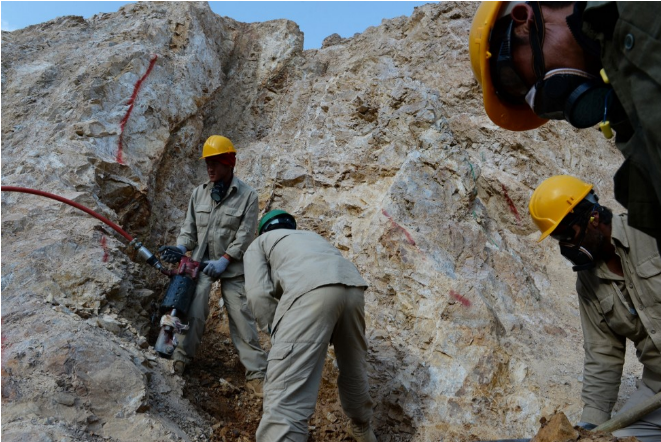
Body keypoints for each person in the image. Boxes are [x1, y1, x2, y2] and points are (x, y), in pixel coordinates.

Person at [469, 2, 661, 248]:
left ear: (523, 21)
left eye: (515, 80)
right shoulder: (625, 112)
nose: (537, 98)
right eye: (525, 97)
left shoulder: (631, 11)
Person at [528, 175, 661, 441]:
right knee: (619, 439)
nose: (566, 247)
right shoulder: (588, 284)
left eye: (568, 234)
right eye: (558, 239)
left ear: (593, 218)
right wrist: (589, 428)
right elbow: (603, 354)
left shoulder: (650, 229)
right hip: (657, 388)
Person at [243, 210, 376, 442]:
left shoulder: (260, 242)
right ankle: (362, 428)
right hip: (353, 288)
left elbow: (257, 295)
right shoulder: (312, 238)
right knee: (353, 365)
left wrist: (278, 332)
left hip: (313, 289)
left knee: (286, 392)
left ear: (263, 230)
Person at [158, 135, 267, 396]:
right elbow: (189, 230)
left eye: (215, 163)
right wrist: (182, 248)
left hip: (231, 266)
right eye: (208, 163)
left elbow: (245, 234)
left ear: (229, 163)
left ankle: (257, 375)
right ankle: (181, 359)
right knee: (193, 310)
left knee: (242, 317)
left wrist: (225, 260)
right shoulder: (199, 193)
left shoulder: (248, 196)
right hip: (200, 264)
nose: (210, 168)